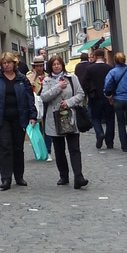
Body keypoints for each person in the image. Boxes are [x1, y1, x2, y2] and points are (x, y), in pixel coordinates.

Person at [0, 52, 38, 190]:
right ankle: (6, 178)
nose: (6, 65)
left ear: (14, 63)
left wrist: (33, 115)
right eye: (4, 63)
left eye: (9, 62)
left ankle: (19, 176)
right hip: (1, 117)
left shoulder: (22, 79)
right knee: (6, 147)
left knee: (18, 148)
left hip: (19, 117)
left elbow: (30, 98)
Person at [41, 55, 89, 188]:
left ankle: (79, 177)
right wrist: (58, 87)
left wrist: (68, 102)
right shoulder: (47, 81)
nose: (56, 66)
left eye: (58, 64)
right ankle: (64, 176)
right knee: (59, 150)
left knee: (74, 148)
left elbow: (80, 94)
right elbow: (44, 97)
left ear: (62, 65)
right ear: (51, 67)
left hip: (70, 117)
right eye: (54, 64)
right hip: (55, 119)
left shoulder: (72, 78)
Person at [103, 52, 127, 152]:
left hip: (118, 100)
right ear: (124, 60)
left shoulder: (112, 72)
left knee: (121, 123)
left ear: (115, 61)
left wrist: (109, 96)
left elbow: (107, 86)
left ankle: (125, 146)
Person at [83, 48, 114, 149]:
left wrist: (88, 93)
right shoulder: (109, 68)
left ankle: (100, 133)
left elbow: (85, 83)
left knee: (96, 118)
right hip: (108, 97)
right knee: (110, 119)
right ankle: (109, 142)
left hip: (95, 97)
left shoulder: (89, 69)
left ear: (95, 57)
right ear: (104, 56)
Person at [26, 57, 51, 158]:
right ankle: (40, 150)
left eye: (41, 66)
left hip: (46, 103)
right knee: (37, 128)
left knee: (47, 127)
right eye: (37, 66)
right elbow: (27, 86)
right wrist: (35, 75)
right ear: (34, 67)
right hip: (35, 104)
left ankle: (48, 150)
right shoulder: (29, 75)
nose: (39, 68)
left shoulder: (48, 76)